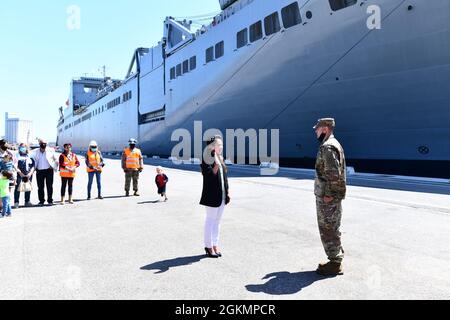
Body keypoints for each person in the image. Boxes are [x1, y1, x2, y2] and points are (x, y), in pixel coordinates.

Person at [313, 118, 347, 276]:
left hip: (328, 198)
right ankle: (336, 257)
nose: (316, 132)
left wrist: (328, 195)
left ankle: (334, 263)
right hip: (333, 196)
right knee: (333, 226)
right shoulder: (334, 144)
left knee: (328, 228)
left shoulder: (328, 147)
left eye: (317, 129)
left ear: (325, 129)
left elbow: (333, 173)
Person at [200, 135, 231, 258]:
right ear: (212, 146)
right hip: (212, 195)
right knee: (210, 221)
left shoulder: (220, 158)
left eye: (222, 145)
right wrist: (217, 164)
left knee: (217, 222)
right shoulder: (206, 158)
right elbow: (208, 176)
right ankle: (208, 246)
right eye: (219, 145)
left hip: (222, 195)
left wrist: (227, 192)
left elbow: (224, 178)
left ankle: (215, 245)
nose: (221, 147)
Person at [31, 139, 59, 206]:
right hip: (39, 171)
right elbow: (32, 159)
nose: (43, 144)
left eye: (45, 143)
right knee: (40, 187)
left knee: (49, 186)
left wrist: (53, 166)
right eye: (42, 143)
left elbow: (56, 160)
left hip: (49, 171)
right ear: (39, 143)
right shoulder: (35, 151)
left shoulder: (50, 150)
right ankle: (41, 200)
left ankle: (50, 200)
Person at [14, 143, 36, 208]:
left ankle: (27, 201)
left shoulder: (30, 155)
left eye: (24, 147)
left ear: (26, 148)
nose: (22, 148)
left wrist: (30, 173)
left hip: (29, 174)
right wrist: (21, 174)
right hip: (20, 174)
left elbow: (33, 165)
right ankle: (16, 202)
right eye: (21, 147)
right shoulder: (17, 156)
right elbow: (15, 165)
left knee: (28, 188)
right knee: (17, 188)